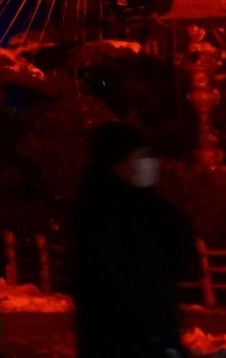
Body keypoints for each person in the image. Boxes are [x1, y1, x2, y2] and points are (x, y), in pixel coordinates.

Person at [71, 122, 194, 358]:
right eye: (138, 156)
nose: (149, 163)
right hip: (120, 342)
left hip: (157, 333)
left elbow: (178, 258)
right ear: (116, 164)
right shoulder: (100, 215)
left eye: (148, 155)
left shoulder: (154, 210)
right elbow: (110, 282)